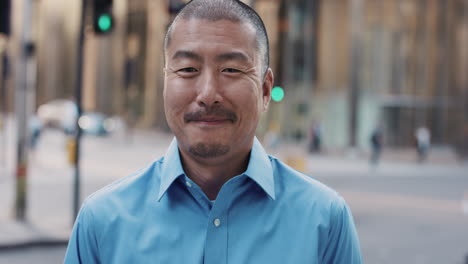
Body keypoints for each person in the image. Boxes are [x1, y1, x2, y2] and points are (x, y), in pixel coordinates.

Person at [64, 1, 362, 263]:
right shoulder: (102, 222)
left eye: (231, 70)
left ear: (265, 90)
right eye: (188, 70)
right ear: (165, 83)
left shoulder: (325, 221)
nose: (208, 94)